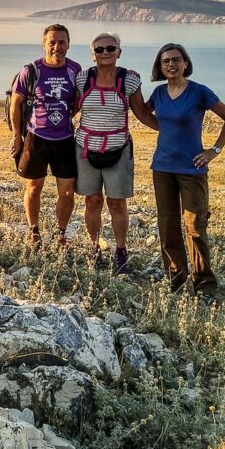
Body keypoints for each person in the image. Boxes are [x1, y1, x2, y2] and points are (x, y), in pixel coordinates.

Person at [147, 43, 225, 297]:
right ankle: (176, 278)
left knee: (195, 225)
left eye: (176, 60)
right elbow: (144, 112)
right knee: (167, 224)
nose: (171, 65)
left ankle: (204, 284)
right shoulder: (159, 94)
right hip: (162, 167)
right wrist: (163, 128)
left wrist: (214, 151)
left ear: (186, 63)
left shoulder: (199, 92)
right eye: (166, 62)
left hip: (192, 169)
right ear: (160, 67)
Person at [74, 33, 159, 273]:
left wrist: (170, 129)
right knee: (92, 201)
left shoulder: (129, 81)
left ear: (119, 52)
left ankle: (121, 252)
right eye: (99, 49)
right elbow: (71, 108)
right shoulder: (82, 79)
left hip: (118, 149)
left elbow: (142, 113)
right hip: (85, 148)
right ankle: (94, 248)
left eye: (110, 48)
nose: (105, 53)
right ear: (93, 54)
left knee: (117, 204)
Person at [10, 23, 81, 246]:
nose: (57, 47)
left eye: (61, 42)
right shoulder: (31, 71)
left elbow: (77, 101)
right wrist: (16, 136)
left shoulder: (75, 70)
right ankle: (34, 231)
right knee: (33, 188)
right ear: (44, 44)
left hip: (65, 140)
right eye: (52, 42)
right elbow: (15, 104)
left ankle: (60, 233)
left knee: (67, 192)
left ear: (68, 44)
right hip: (36, 138)